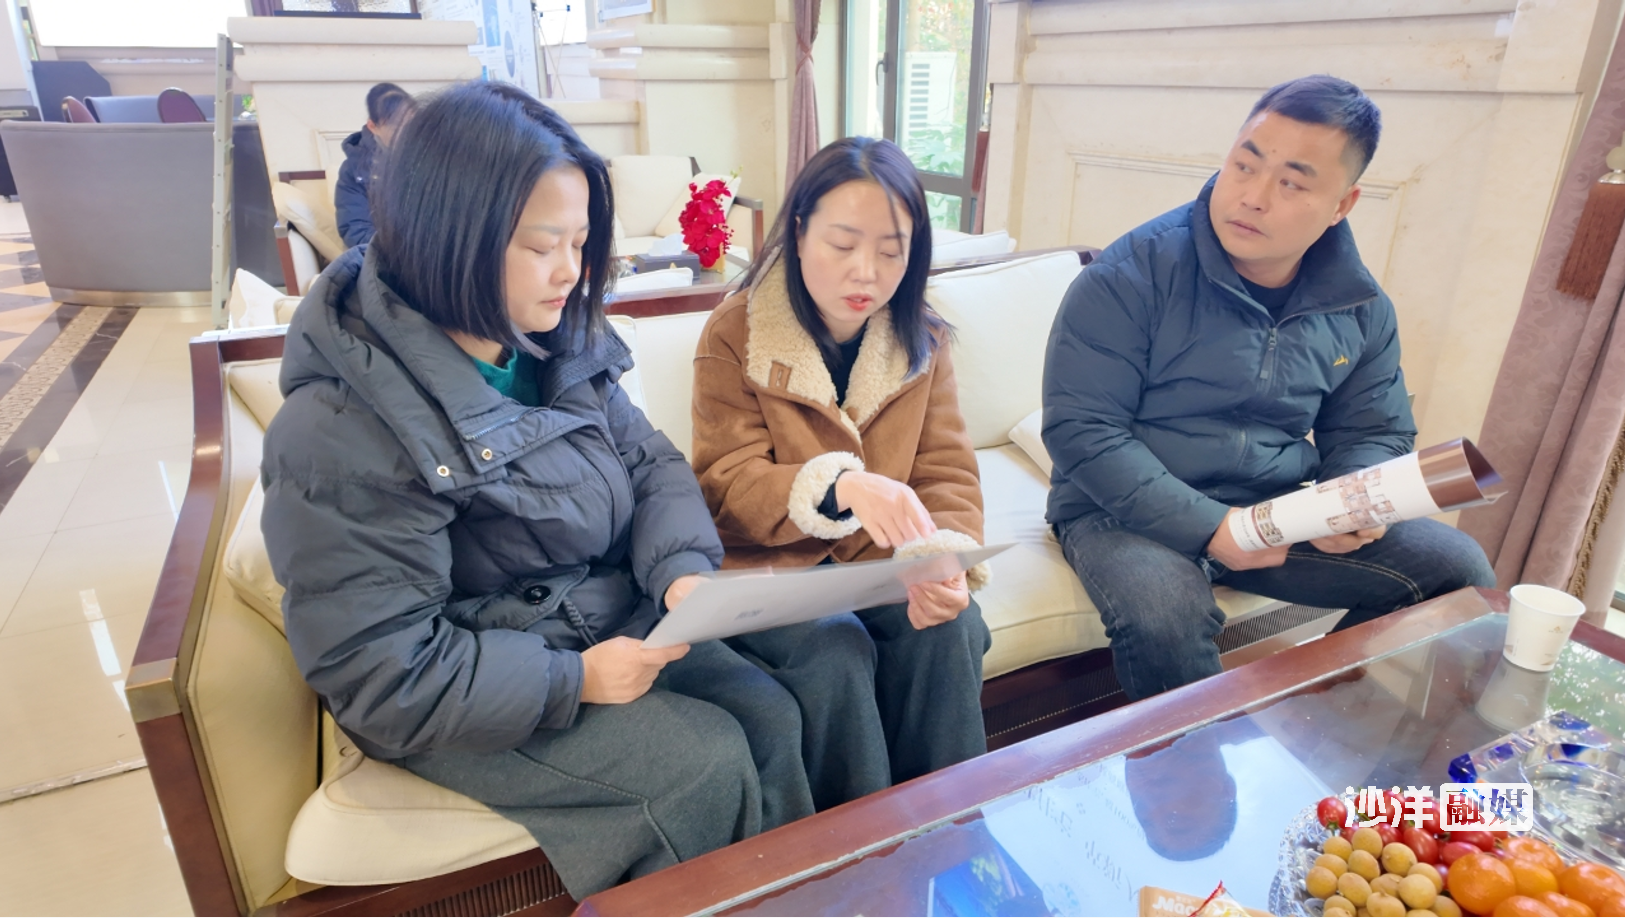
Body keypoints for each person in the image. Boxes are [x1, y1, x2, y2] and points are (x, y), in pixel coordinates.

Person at [259, 81, 815, 900]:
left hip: (581, 619)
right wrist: (573, 681)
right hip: (461, 688)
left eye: (582, 242)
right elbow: (380, 671)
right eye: (543, 245)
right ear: (448, 237)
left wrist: (680, 569)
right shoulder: (339, 428)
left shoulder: (548, 340)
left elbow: (650, 464)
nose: (571, 272)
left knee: (775, 712)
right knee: (699, 767)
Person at [1042, 74, 1495, 702]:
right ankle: (1192, 762)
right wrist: (1210, 526)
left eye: (1292, 183)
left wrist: (1349, 502)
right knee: (1166, 615)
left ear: (1342, 204)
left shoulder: (1359, 305)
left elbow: (1373, 429)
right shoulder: (1130, 274)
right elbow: (1083, 431)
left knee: (1458, 569)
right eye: (1244, 165)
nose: (1252, 197)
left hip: (1268, 506)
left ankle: (1314, 723)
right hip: (1119, 511)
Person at [690, 136, 992, 811]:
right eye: (842, 244)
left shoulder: (922, 337)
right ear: (798, 233)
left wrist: (942, 558)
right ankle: (860, 848)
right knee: (836, 651)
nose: (866, 274)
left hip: (880, 566)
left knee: (951, 629)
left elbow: (945, 470)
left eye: (891, 252)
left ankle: (951, 826)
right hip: (773, 571)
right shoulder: (735, 331)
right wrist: (836, 485)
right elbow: (725, 484)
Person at [334, 82, 417, 248]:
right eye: (396, 126)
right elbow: (356, 231)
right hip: (387, 254)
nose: (406, 133)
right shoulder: (354, 170)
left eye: (411, 123)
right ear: (373, 126)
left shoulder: (432, 155)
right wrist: (405, 250)